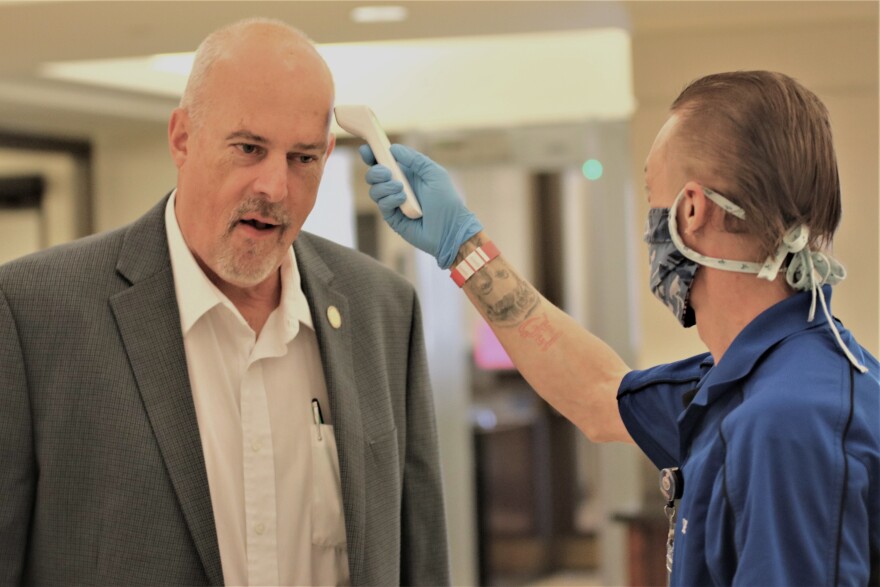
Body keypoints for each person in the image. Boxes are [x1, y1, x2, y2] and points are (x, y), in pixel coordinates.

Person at [361, 71, 879, 585]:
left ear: (691, 210)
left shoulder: (787, 421)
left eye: (654, 193)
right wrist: (462, 246)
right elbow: (596, 394)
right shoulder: (749, 383)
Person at [0, 18, 448, 586]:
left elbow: (420, 557)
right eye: (249, 148)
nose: (274, 187)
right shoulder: (33, 314)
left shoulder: (383, 309)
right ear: (182, 138)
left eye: (302, 158)